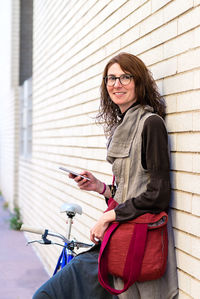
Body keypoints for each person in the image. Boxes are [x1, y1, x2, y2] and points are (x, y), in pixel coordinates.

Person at [33, 52, 178, 299]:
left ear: (139, 82)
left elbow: (158, 194)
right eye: (111, 78)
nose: (116, 84)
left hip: (138, 241)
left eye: (125, 77)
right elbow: (130, 189)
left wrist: (107, 217)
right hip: (121, 239)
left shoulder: (150, 123)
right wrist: (99, 187)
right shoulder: (123, 126)